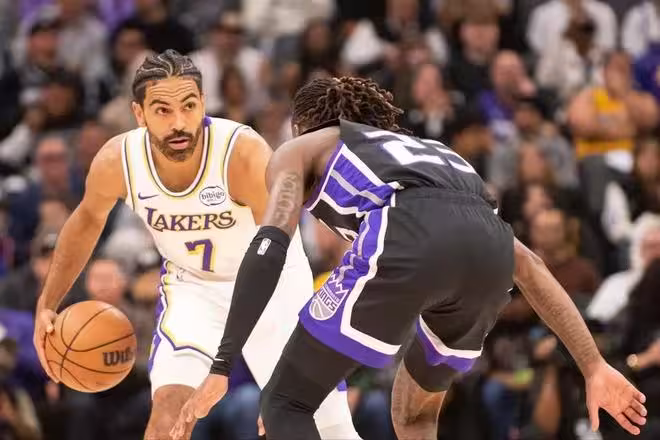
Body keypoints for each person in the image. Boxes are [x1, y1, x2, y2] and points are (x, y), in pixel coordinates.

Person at [173, 76, 649, 440]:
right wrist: (593, 365)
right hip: (489, 249)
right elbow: (528, 266)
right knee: (415, 415)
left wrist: (222, 363)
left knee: (285, 403)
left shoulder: (301, 147)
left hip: (408, 230)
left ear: (303, 124)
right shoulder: (433, 152)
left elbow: (269, 246)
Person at [31, 50, 359, 440]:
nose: (179, 122)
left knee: (320, 428)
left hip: (273, 283)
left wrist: (234, 367)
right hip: (193, 289)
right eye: (163, 110)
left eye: (189, 106)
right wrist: (48, 302)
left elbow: (275, 249)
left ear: (203, 102)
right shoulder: (118, 160)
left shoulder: (242, 154)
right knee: (169, 416)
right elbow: (86, 221)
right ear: (139, 114)